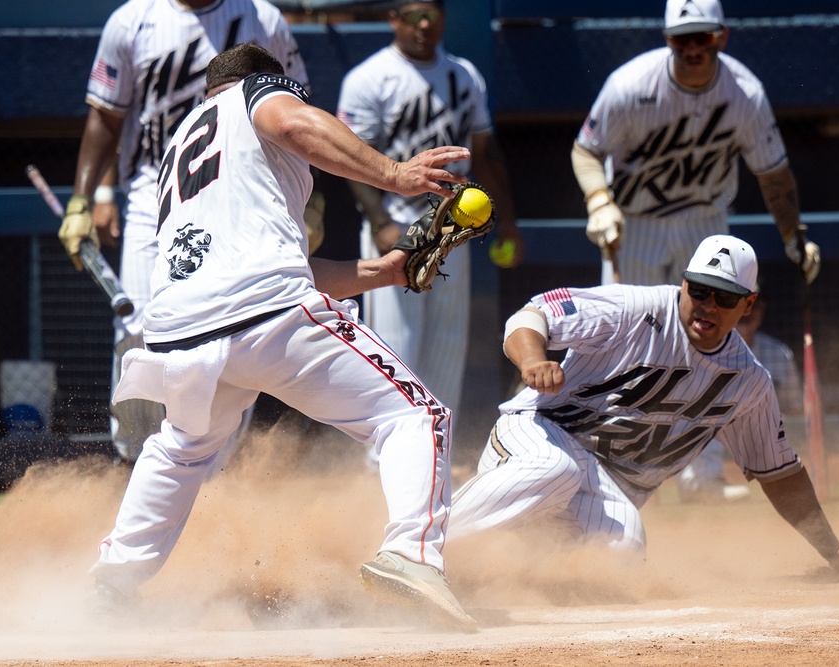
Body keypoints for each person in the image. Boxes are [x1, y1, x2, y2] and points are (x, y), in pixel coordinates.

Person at [87, 43, 477, 631]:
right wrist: (395, 175)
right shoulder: (255, 94)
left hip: (181, 334)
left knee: (181, 449)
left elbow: (275, 260)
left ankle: (111, 583)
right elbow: (292, 121)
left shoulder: (179, 151)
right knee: (416, 417)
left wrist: (385, 270)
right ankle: (413, 555)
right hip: (263, 314)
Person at [449, 234, 839, 580]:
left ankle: (499, 573)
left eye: (725, 298)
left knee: (620, 559)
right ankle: (422, 553)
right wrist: (533, 359)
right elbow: (531, 316)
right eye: (700, 290)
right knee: (554, 470)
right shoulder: (635, 310)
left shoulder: (748, 382)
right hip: (541, 432)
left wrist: (835, 552)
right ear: (684, 283)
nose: (707, 306)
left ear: (748, 304)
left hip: (609, 484)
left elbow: (780, 473)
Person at [570, 0, 821, 499]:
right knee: (627, 343)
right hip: (635, 223)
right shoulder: (631, 85)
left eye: (701, 38)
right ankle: (596, 464)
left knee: (710, 345)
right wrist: (599, 200)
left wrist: (794, 234)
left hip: (704, 221)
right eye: (680, 39)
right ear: (666, 40)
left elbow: (772, 172)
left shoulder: (743, 92)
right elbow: (586, 150)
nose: (691, 49)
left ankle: (700, 476)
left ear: (720, 37)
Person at [57, 0, 312, 464]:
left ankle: (215, 465)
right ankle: (139, 461)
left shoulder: (264, 19)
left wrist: (308, 202)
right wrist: (86, 198)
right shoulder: (133, 20)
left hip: (238, 190)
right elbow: (106, 117)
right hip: (155, 190)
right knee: (139, 328)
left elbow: (296, 114)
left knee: (239, 321)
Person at [336, 0, 524, 418]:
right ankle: (380, 456)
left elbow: (484, 153)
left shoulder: (464, 74)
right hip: (398, 223)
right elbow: (352, 161)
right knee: (394, 346)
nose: (423, 25)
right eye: (413, 16)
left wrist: (507, 222)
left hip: (453, 229)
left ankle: (438, 444)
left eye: (432, 16)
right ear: (393, 19)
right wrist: (381, 223)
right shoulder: (368, 78)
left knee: (447, 347)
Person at [677, 286, 802, 502]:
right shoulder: (700, 349)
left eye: (755, 306)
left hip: (759, 438)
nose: (749, 313)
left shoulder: (778, 353)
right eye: (740, 305)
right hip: (713, 437)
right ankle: (701, 484)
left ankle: (777, 477)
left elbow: (794, 409)